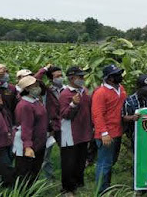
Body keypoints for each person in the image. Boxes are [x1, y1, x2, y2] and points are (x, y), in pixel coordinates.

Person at [91, 64, 127, 194]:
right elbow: (97, 114)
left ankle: (107, 186)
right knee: (104, 163)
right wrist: (104, 133)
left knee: (110, 162)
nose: (120, 76)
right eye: (117, 74)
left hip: (117, 131)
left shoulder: (120, 89)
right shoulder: (100, 93)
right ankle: (101, 191)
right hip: (107, 134)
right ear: (110, 78)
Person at [59, 67, 92, 196]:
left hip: (83, 131)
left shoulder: (84, 92)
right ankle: (67, 188)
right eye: (80, 77)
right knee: (69, 161)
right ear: (72, 78)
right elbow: (65, 114)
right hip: (71, 133)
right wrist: (73, 104)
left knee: (80, 159)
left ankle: (78, 183)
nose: (83, 79)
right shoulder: (65, 94)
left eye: (83, 77)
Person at [12, 76, 48, 185]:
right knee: (25, 173)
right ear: (27, 89)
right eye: (34, 86)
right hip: (28, 143)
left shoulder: (36, 101)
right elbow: (26, 127)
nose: (37, 88)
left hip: (37, 142)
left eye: (37, 85)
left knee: (34, 172)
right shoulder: (25, 105)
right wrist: (27, 146)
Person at [34, 65, 63, 180]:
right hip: (50, 126)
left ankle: (67, 176)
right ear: (51, 79)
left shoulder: (66, 89)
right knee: (46, 155)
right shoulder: (47, 91)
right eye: (57, 76)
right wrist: (44, 69)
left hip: (64, 125)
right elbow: (36, 80)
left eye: (61, 75)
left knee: (67, 152)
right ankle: (49, 178)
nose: (60, 78)